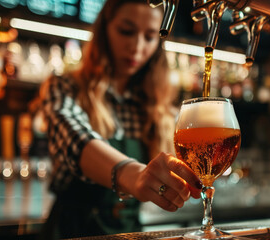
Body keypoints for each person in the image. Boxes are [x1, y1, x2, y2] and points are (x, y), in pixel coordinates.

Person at [38, 0, 202, 238]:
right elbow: (76, 140)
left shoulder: (156, 108)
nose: (137, 47)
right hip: (72, 231)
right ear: (105, 30)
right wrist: (135, 176)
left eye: (149, 37)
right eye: (126, 31)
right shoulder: (65, 87)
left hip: (130, 233)